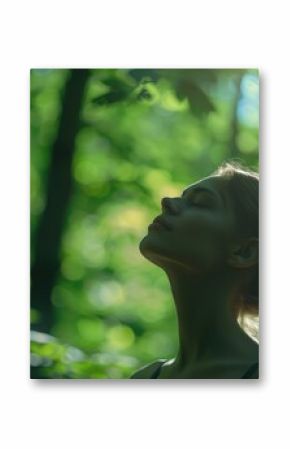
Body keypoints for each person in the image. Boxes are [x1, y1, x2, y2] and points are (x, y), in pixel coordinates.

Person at [131, 161, 259, 379]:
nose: (167, 202)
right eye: (182, 197)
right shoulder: (143, 379)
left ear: (244, 252)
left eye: (200, 202)